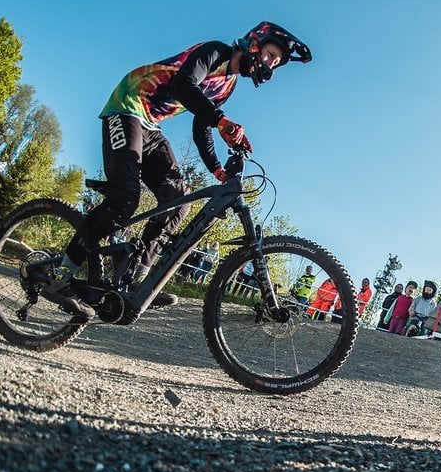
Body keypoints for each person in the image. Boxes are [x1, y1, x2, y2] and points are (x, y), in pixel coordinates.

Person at [36, 21, 312, 321]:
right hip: (128, 106)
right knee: (126, 197)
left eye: (277, 62)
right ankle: (62, 275)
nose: (271, 64)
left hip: (151, 126)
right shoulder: (216, 52)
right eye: (271, 54)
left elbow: (201, 128)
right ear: (256, 43)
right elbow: (184, 85)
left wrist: (217, 169)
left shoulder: (228, 86)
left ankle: (136, 280)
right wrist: (222, 121)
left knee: (178, 200)